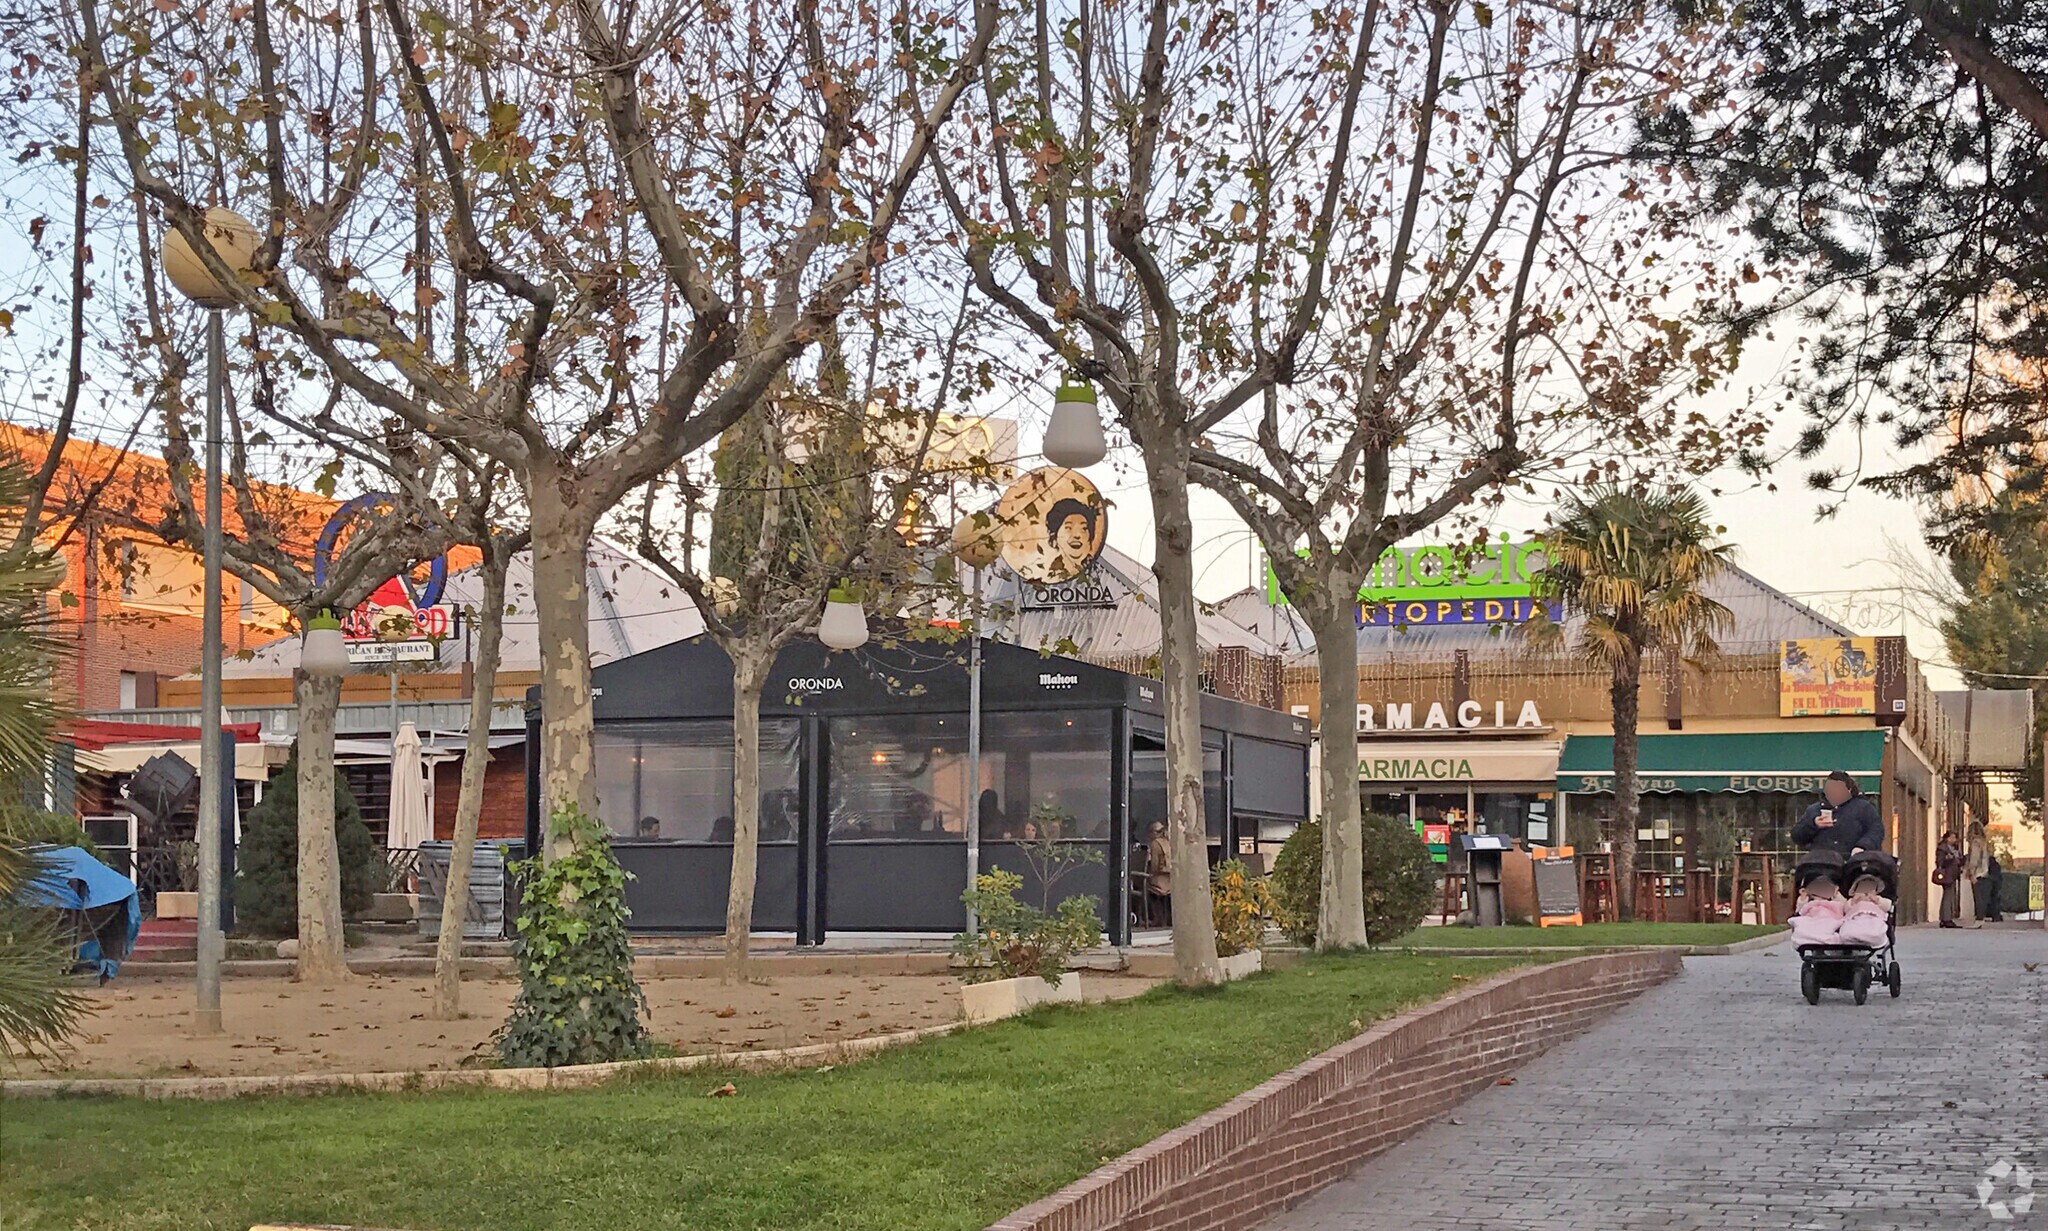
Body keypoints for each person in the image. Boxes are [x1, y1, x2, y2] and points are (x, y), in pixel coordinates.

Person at [1790, 771, 1884, 857]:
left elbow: (1876, 831)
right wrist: (1813, 824)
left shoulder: (1864, 808)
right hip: (1821, 864)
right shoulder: (1814, 809)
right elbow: (1797, 836)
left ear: (1849, 790)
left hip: (1853, 863)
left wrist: (1862, 847)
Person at [1043, 498, 1099, 579]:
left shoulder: (1097, 574)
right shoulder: (1046, 574)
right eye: (1068, 528)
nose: (1077, 535)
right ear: (1054, 537)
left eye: (1084, 529)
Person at [1960, 821, 1990, 929]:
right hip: (1984, 871)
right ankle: (1980, 918)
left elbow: (1974, 859)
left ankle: (1979, 919)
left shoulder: (1975, 843)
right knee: (1982, 897)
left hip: (1977, 872)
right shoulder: (1984, 842)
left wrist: (1972, 873)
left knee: (1977, 897)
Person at [1934, 829, 1964, 928]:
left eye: (1955, 837)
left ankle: (1945, 917)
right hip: (1947, 874)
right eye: (1952, 837)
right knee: (1948, 896)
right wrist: (1951, 859)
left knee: (1949, 895)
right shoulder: (1943, 848)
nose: (1954, 839)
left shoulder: (1954, 848)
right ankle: (1946, 918)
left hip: (1953, 874)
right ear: (1947, 838)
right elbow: (1940, 861)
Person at [1145, 821, 1172, 915]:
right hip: (1171, 880)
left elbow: (1154, 867)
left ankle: (1155, 915)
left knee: (1143, 884)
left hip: (1160, 881)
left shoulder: (1155, 844)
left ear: (1154, 832)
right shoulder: (1168, 842)